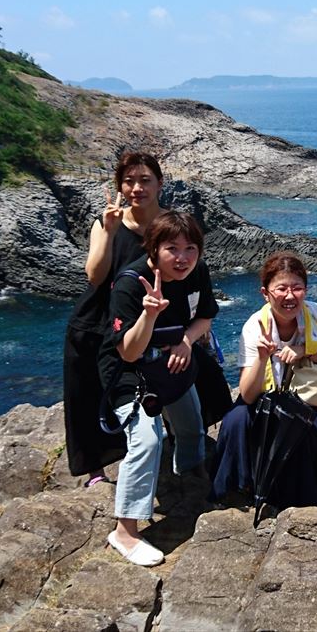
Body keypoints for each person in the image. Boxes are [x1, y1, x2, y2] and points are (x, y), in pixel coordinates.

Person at [99, 211, 219, 566]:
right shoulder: (130, 284)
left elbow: (205, 316)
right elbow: (127, 351)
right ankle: (125, 531)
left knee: (191, 424)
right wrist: (149, 314)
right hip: (130, 374)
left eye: (190, 248)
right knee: (147, 440)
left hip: (173, 365)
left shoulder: (196, 271)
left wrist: (186, 341)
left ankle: (189, 478)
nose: (182, 257)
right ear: (153, 248)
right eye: (172, 249)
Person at [62, 152, 168, 486]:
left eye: (145, 180)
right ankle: (94, 470)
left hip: (145, 320)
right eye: (128, 181)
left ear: (160, 183)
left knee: (150, 387)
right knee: (86, 393)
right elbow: (94, 277)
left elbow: (187, 268)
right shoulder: (107, 222)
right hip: (96, 320)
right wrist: (108, 232)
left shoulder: (169, 225)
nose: (137, 188)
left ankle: (171, 451)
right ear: (119, 186)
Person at [209, 251, 317, 507]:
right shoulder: (254, 326)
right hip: (264, 398)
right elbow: (248, 395)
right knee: (235, 421)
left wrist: (305, 351)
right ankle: (235, 488)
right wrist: (261, 358)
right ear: (265, 293)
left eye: (297, 288)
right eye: (281, 289)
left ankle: (298, 499)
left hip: (304, 396)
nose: (290, 296)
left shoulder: (315, 314)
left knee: (308, 428)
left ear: (306, 290)